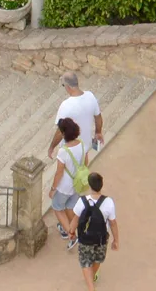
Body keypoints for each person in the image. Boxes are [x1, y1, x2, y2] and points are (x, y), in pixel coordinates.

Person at [69, 171, 119, 287]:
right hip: (101, 239)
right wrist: (116, 240)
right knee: (97, 259)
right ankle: (93, 276)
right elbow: (113, 223)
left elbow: (75, 220)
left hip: (85, 238)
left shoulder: (82, 202)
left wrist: (71, 232)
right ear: (101, 185)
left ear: (90, 185)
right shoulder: (108, 202)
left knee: (85, 263)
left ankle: (91, 287)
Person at [49, 116, 88, 245]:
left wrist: (53, 189)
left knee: (58, 208)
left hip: (64, 186)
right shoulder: (82, 144)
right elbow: (85, 163)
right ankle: (75, 229)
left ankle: (71, 235)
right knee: (70, 207)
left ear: (64, 134)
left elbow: (59, 172)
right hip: (77, 183)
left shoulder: (63, 152)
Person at [48, 73, 103, 161]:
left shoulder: (65, 106)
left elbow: (60, 131)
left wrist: (51, 147)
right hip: (86, 144)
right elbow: (98, 117)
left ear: (67, 86)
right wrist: (98, 132)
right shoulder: (90, 96)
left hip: (71, 150)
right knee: (84, 165)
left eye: (63, 85)